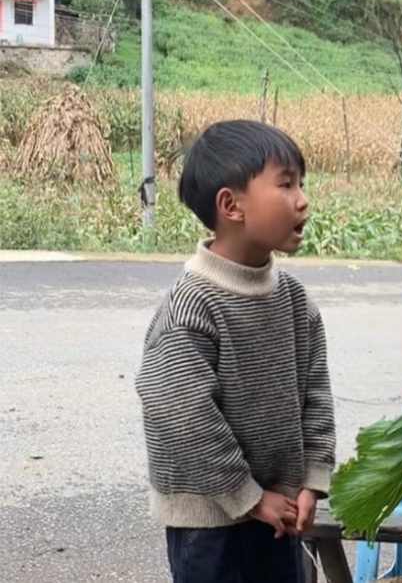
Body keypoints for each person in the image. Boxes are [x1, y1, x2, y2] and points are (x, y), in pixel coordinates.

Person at [135, 120, 337, 583]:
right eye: (286, 184)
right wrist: (247, 496)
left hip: (279, 516)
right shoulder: (192, 306)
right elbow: (184, 415)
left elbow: (316, 397)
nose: (303, 199)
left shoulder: (294, 300)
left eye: (301, 184)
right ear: (231, 205)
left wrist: (311, 479)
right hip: (210, 524)